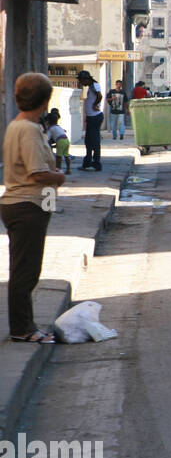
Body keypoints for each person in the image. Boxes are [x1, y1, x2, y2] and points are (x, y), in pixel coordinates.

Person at [2, 73, 68, 343]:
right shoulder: (27, 130)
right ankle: (22, 329)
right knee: (25, 272)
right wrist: (59, 177)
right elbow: (37, 172)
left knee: (26, 269)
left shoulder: (22, 126)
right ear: (44, 100)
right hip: (26, 205)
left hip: (26, 204)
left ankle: (25, 325)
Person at [78, 70, 104, 172]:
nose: (81, 83)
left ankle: (96, 163)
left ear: (86, 79)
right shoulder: (91, 87)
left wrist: (94, 105)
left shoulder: (94, 85)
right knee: (88, 141)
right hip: (91, 117)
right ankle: (87, 163)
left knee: (94, 141)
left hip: (95, 117)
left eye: (82, 81)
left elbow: (100, 96)